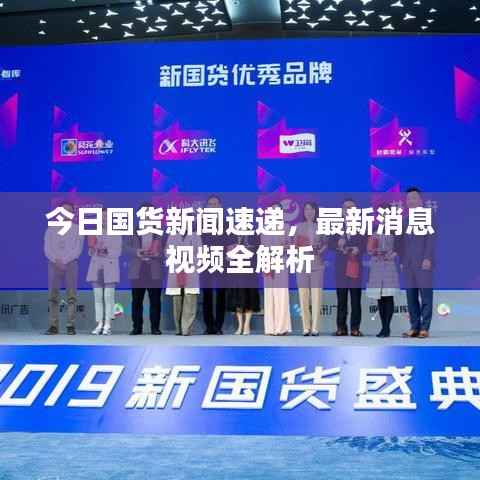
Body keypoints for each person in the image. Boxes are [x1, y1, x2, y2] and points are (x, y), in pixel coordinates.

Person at [399, 187, 435, 339]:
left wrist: (428, 258)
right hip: (408, 264)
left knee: (425, 296)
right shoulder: (404, 219)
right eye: (408, 199)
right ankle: (414, 327)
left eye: (414, 198)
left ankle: (425, 328)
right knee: (411, 296)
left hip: (423, 262)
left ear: (420, 200)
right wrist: (402, 260)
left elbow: (431, 240)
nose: (410, 201)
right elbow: (402, 243)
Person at [44, 202, 84, 335]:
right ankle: (53, 325)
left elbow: (78, 249)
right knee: (53, 296)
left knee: (71, 296)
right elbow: (47, 248)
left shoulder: (77, 229)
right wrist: (56, 260)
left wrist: (65, 260)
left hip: (71, 264)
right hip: (53, 264)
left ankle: (70, 325)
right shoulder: (51, 229)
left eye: (69, 211)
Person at [124, 203, 162, 335]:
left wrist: (158, 254)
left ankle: (155, 328)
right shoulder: (133, 230)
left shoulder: (160, 232)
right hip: (137, 269)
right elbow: (125, 247)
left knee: (155, 300)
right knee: (137, 300)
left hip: (154, 269)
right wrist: (137, 251)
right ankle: (137, 327)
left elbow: (167, 249)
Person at [331, 198, 365, 337]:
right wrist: (338, 245)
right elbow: (330, 243)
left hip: (355, 267)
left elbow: (366, 244)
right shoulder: (336, 225)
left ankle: (355, 328)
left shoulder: (362, 226)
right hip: (341, 267)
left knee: (356, 300)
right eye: (346, 208)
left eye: (352, 208)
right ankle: (341, 328)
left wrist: (358, 249)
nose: (349, 210)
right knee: (341, 300)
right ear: (342, 210)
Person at [87, 210, 122, 335]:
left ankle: (108, 324)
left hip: (110, 267)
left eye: (106, 217)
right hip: (96, 267)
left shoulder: (116, 233)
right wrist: (93, 249)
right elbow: (90, 252)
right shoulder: (94, 232)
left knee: (108, 297)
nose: (104, 219)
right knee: (98, 298)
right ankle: (99, 324)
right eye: (102, 217)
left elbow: (118, 252)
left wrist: (105, 250)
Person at [295, 202, 327, 336]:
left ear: (315, 211)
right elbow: (294, 245)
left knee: (316, 296)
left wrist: (320, 250)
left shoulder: (321, 226)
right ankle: (306, 327)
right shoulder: (298, 227)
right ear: (304, 212)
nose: (309, 212)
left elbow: (326, 244)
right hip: (302, 263)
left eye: (312, 209)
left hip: (317, 263)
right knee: (303, 296)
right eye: (306, 209)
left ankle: (315, 327)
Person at [165, 229, 202, 336]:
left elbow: (200, 253)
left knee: (190, 299)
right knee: (177, 300)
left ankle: (187, 328)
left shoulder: (195, 235)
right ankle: (179, 328)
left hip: (191, 269)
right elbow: (167, 252)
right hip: (176, 269)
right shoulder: (172, 235)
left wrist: (189, 259)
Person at [262, 203, 291, 336]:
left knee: (281, 294)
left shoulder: (286, 227)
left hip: (281, 261)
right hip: (268, 261)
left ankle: (282, 327)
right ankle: (270, 327)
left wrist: (283, 247)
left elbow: (290, 246)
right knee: (269, 294)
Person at [201, 195, 227, 335]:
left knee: (221, 294)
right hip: (205, 261)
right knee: (207, 294)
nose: (213, 207)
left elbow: (231, 243)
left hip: (222, 262)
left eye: (215, 204)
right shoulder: (200, 224)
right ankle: (209, 326)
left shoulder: (226, 224)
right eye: (210, 204)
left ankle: (219, 326)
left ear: (220, 206)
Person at [366, 231, 399, 338]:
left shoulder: (395, 231)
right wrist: (374, 251)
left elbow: (400, 247)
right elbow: (369, 250)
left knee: (388, 296)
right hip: (377, 265)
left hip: (389, 265)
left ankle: (386, 327)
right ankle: (384, 327)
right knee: (379, 298)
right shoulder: (374, 233)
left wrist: (393, 255)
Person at [226, 235, 260, 335]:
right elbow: (227, 258)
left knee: (249, 299)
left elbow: (256, 255)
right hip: (236, 273)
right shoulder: (231, 239)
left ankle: (246, 325)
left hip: (249, 273)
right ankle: (240, 326)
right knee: (237, 300)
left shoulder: (252, 238)